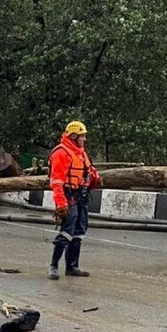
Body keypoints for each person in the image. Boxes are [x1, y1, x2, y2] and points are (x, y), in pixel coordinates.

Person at [48, 120, 100, 280]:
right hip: (67, 195)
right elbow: (56, 182)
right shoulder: (61, 153)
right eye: (82, 136)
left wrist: (95, 178)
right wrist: (61, 204)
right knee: (67, 230)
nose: (84, 139)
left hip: (81, 194)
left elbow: (89, 171)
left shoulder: (81, 152)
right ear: (74, 136)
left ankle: (72, 266)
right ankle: (54, 266)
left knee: (79, 230)